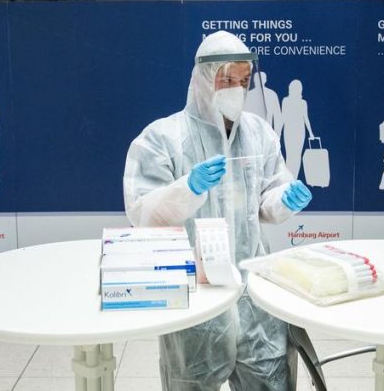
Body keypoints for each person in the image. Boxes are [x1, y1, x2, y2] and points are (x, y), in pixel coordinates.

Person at [123, 30, 312, 391]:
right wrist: (187, 188)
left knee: (270, 378)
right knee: (191, 379)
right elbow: (141, 213)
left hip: (252, 289)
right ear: (203, 80)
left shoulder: (259, 133)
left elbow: (268, 197)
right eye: (227, 80)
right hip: (196, 291)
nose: (237, 90)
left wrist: (284, 199)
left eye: (244, 81)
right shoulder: (163, 137)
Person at [281, 79, 315, 179]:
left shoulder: (292, 101)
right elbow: (305, 119)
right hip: (295, 130)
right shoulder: (288, 101)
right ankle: (289, 178)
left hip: (292, 130)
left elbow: (305, 118)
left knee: (293, 155)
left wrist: (311, 133)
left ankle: (292, 178)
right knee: (293, 155)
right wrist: (311, 133)